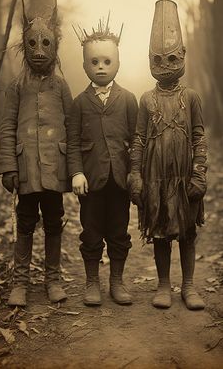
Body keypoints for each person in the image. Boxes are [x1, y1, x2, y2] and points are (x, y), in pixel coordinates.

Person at [128, 0, 207, 310]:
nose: (165, 66)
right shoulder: (146, 99)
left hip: (186, 178)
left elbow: (200, 137)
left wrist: (199, 173)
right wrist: (135, 174)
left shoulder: (192, 97)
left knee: (187, 231)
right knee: (160, 231)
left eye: (171, 58)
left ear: (183, 56)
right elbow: (137, 138)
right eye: (157, 60)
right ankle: (163, 285)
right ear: (149, 61)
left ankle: (188, 286)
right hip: (155, 179)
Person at [0, 0, 73, 306]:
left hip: (54, 170)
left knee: (54, 221)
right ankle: (21, 283)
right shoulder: (17, 87)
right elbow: (7, 126)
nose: (39, 50)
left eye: (46, 43)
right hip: (26, 169)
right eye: (32, 43)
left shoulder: (61, 86)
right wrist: (8, 166)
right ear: (23, 45)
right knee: (25, 222)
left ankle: (53, 281)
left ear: (55, 46)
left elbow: (72, 127)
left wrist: (73, 168)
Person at [67, 16, 138, 306]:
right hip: (92, 182)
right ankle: (92, 282)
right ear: (85, 66)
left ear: (118, 64)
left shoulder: (128, 99)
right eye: (94, 62)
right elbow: (72, 142)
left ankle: (117, 282)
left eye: (107, 62)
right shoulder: (80, 103)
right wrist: (76, 173)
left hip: (120, 180)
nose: (100, 68)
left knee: (119, 232)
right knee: (92, 232)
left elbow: (137, 140)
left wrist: (135, 172)